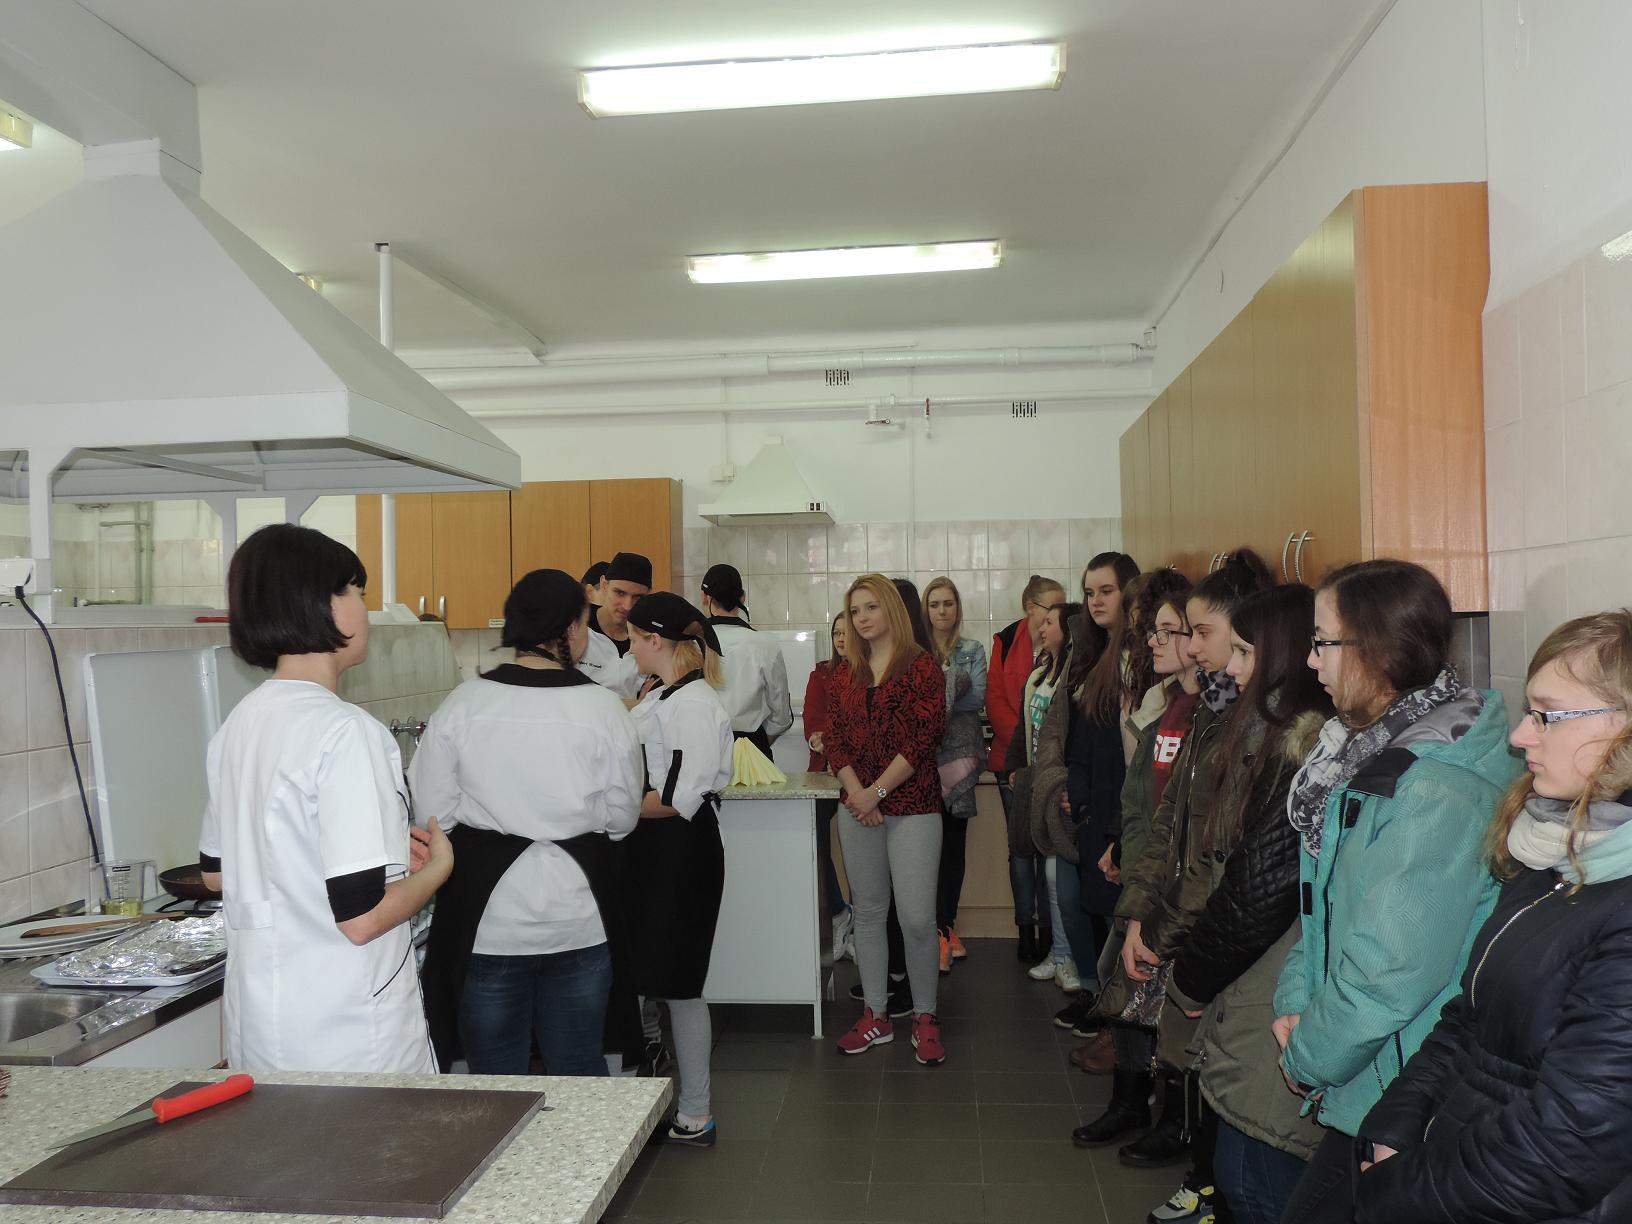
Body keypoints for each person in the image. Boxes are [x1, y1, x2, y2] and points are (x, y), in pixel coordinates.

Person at [1355, 610, 1632, 1223]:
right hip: (1456, 1165)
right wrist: (1395, 1124)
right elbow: (1473, 1016)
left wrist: (1394, 1195)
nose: (1521, 735)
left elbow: (1563, 1150)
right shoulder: (1557, 850)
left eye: (1547, 715)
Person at [1273, 559, 1515, 1224]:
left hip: (1404, 1082)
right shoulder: (1359, 756)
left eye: (1322, 641)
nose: (1311, 660)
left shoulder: (1434, 787)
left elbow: (1390, 972)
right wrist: (1295, 1006)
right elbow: (1322, 911)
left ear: (1376, 650)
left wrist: (1308, 1053)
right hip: (1367, 1065)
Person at [200, 523, 447, 1074]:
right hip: (350, 1035)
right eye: (357, 591)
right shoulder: (346, 732)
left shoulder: (239, 725)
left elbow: (217, 875)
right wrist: (438, 870)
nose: (365, 608)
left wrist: (386, 854)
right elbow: (361, 919)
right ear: (322, 604)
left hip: (264, 1025)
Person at [1080, 551, 1274, 1169]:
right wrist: (1139, 896)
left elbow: (1213, 846)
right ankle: (1148, 1111)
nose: (1182, 645)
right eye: (1171, 632)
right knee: (1143, 999)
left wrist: (1158, 917)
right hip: (1158, 883)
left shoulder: (1238, 720)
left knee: (1183, 1020)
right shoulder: (1191, 707)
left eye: (1192, 632)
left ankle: (1179, 1132)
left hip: (1193, 902)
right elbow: (1159, 809)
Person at [411, 569, 644, 1077]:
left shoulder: (463, 704)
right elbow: (623, 818)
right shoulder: (604, 709)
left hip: (491, 925)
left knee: (495, 1080)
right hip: (579, 920)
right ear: (572, 628)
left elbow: (433, 815)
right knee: (580, 1070)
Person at [1160, 585, 1332, 1224]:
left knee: (1255, 1178)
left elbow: (1257, 891)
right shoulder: (1263, 732)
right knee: (1243, 1169)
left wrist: (1190, 978)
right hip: (1254, 982)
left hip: (1270, 986)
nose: (1231, 668)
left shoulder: (1300, 750)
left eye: (1243, 651)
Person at [624, 593, 735, 1147]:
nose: (628, 649)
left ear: (655, 640)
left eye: (633, 638)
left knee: (681, 982)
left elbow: (676, 798)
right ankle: (638, 1100)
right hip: (652, 848)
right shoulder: (664, 694)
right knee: (646, 975)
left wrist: (606, 806)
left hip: (681, 851)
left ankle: (696, 1111)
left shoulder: (692, 704)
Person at [828, 574, 949, 1065]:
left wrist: (876, 792)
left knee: (917, 917)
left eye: (871, 607)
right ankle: (876, 1014)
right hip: (858, 807)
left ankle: (924, 1015)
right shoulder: (846, 672)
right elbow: (835, 738)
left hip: (913, 805)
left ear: (893, 610)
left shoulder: (922, 666)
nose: (861, 618)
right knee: (869, 913)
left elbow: (923, 737)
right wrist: (860, 794)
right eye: (855, 610)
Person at [1006, 601, 1084, 989]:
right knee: (1047, 873)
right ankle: (1060, 953)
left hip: (1059, 786)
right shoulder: (1040, 673)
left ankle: (1069, 957)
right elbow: (1026, 728)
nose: (1041, 629)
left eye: (1049, 622)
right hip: (1036, 784)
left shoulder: (1074, 676)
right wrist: (1016, 768)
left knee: (1057, 877)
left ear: (1068, 630)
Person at [990, 575, 1066, 962]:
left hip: (1052, 768)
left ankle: (1052, 934)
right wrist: (1023, 758)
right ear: (1030, 607)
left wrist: (1044, 760)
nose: (1058, 614)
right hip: (1014, 765)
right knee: (1021, 850)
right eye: (1052, 606)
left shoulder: (1066, 646)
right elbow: (996, 702)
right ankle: (1025, 929)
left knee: (1050, 850)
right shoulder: (1006, 641)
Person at [923, 576, 988, 971]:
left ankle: (946, 925)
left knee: (953, 846)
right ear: (925, 610)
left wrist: (940, 690)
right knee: (927, 846)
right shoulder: (917, 651)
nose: (942, 611)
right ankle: (934, 928)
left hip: (961, 757)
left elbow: (977, 697)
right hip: (923, 758)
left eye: (948, 603)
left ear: (957, 608)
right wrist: (949, 690)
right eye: (935, 604)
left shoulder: (972, 649)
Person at [699, 563, 792, 755]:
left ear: (705, 598)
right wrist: (755, 746)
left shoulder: (691, 644)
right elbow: (781, 716)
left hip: (702, 748)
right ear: (742, 597)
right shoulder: (766, 644)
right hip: (752, 746)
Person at [805, 615, 853, 960]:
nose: (839, 638)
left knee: (861, 849)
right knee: (816, 844)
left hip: (864, 776)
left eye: (845, 633)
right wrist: (820, 741)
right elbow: (814, 722)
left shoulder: (870, 673)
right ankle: (838, 912)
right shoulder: (821, 673)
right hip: (824, 773)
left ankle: (864, 923)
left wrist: (836, 742)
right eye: (835, 632)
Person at [580, 551, 652, 699]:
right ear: (604, 585)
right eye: (620, 593)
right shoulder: (576, 628)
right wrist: (637, 705)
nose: (627, 605)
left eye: (638, 597)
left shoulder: (653, 638)